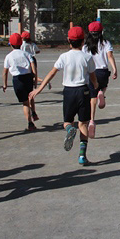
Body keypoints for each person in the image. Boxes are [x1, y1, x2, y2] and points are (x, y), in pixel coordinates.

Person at [29, 26, 98, 165]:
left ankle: (70, 129)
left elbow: (52, 73)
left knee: (67, 121)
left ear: (68, 40)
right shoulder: (87, 57)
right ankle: (82, 156)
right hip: (83, 91)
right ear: (83, 41)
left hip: (68, 92)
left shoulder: (64, 56)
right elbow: (92, 76)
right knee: (83, 123)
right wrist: (96, 86)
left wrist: (39, 89)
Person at [82, 21, 118, 137]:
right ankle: (102, 92)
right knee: (103, 86)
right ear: (101, 31)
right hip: (102, 72)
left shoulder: (85, 46)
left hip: (91, 73)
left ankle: (92, 120)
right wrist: (114, 69)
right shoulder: (105, 43)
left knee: (92, 97)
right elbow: (110, 56)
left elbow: (83, 61)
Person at [2, 33, 38, 131]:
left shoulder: (9, 56)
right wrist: (35, 79)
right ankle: (33, 112)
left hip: (17, 79)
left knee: (25, 103)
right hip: (28, 78)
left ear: (11, 44)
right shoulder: (26, 54)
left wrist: (5, 84)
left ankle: (30, 123)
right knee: (30, 96)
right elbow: (33, 67)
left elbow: (5, 72)